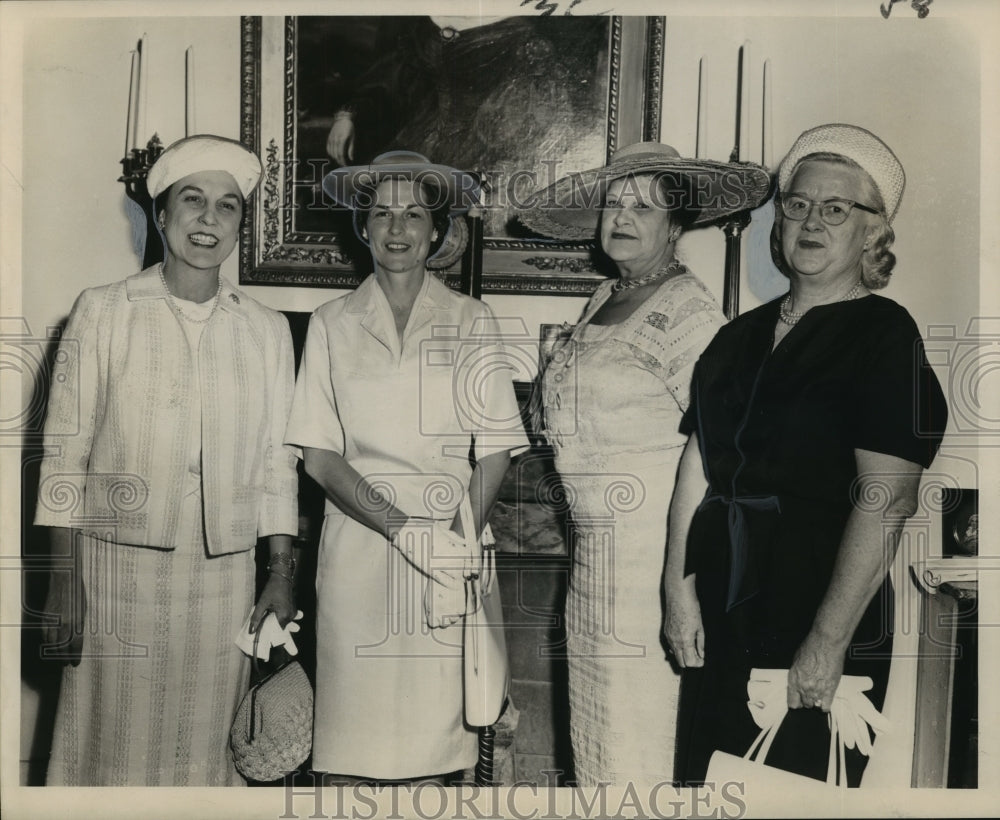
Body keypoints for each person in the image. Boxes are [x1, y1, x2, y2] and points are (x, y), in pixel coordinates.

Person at [663, 124, 949, 786]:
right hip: (725, 606)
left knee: (790, 790)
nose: (810, 221)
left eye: (836, 208)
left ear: (875, 233)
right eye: (796, 204)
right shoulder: (737, 339)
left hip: (816, 605)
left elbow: (888, 499)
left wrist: (827, 641)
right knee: (705, 785)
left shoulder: (883, 337)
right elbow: (697, 468)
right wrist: (677, 591)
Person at [35, 135, 300, 786]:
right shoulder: (104, 310)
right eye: (193, 200)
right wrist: (62, 582)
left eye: (228, 206)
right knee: (110, 749)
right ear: (160, 216)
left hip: (223, 579)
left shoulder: (264, 328)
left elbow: (277, 461)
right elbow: (64, 452)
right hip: (116, 573)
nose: (209, 219)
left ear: (241, 225)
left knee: (204, 750)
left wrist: (281, 573)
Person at [519, 142, 770, 785]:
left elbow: (722, 445)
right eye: (614, 203)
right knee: (596, 735)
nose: (623, 217)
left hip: (653, 553)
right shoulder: (604, 295)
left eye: (645, 207)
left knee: (642, 736)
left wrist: (678, 583)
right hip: (593, 556)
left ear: (676, 225)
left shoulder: (688, 311)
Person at [284, 151, 529, 782]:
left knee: (438, 750)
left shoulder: (473, 320)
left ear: (436, 231)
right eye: (382, 213)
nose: (397, 228)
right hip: (359, 550)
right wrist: (405, 532)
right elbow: (318, 456)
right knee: (351, 753)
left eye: (414, 213)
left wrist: (451, 545)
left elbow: (495, 448)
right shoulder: (331, 323)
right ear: (362, 228)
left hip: (450, 553)